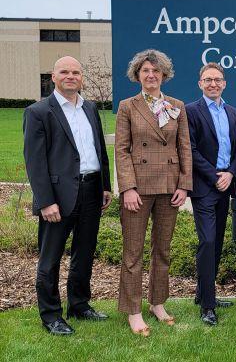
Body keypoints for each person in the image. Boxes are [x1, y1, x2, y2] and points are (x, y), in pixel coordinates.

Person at [23, 56, 112, 335]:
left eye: (75, 72)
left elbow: (99, 149)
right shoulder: (39, 112)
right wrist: (46, 201)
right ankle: (51, 315)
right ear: (53, 77)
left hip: (91, 191)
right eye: (64, 72)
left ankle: (79, 304)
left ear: (82, 77)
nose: (71, 76)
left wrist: (105, 185)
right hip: (58, 197)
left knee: (84, 253)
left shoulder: (90, 108)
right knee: (50, 259)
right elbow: (35, 162)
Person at [115, 49, 192, 336]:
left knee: (163, 249)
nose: (151, 75)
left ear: (164, 75)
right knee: (133, 252)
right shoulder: (127, 106)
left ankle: (157, 303)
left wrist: (184, 184)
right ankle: (133, 310)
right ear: (137, 75)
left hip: (169, 188)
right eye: (146, 70)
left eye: (156, 71)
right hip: (138, 189)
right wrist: (128, 188)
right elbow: (122, 150)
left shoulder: (177, 106)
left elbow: (184, 147)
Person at [185, 62, 236, 326]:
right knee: (207, 242)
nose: (213, 84)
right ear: (200, 84)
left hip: (225, 185)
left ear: (224, 83)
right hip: (205, 187)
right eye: (208, 80)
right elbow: (191, 150)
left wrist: (230, 173)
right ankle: (208, 306)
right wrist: (215, 176)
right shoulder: (191, 111)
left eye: (217, 80)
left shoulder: (231, 111)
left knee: (217, 243)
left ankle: (203, 293)